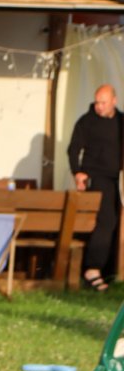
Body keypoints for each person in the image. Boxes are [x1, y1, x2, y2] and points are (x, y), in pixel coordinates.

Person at [67, 83, 124, 291]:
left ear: (114, 101)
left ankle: (109, 270)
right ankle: (92, 269)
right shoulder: (87, 121)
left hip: (117, 178)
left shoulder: (121, 121)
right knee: (106, 220)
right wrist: (78, 172)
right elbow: (73, 149)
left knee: (116, 223)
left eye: (104, 103)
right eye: (97, 102)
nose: (99, 106)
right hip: (97, 178)